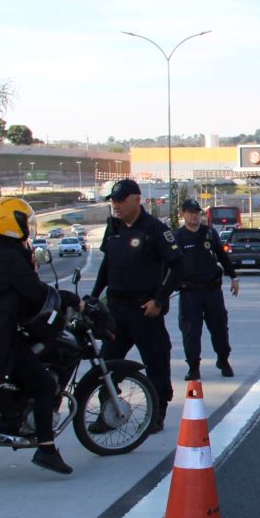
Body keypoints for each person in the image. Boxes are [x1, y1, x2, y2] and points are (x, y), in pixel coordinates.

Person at [0, 196, 79, 474]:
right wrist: (65, 299)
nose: (27, 225)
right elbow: (35, 292)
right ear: (11, 223)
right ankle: (46, 449)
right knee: (43, 384)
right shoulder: (8, 258)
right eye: (23, 220)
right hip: (0, 337)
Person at [90, 179, 183, 433]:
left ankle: (157, 413)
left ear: (136, 199)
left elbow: (178, 266)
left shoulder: (155, 229)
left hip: (145, 310)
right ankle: (108, 414)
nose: (116, 205)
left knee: (156, 362)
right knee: (107, 366)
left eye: (121, 200)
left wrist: (160, 300)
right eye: (113, 201)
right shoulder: (114, 227)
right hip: (116, 310)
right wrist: (95, 295)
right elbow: (107, 264)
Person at [175, 199, 239, 381]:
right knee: (191, 332)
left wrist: (234, 277)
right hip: (189, 293)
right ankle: (193, 367)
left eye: (196, 212)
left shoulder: (209, 233)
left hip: (212, 291)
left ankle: (223, 359)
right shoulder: (178, 237)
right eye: (190, 212)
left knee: (220, 329)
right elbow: (169, 265)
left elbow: (222, 255)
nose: (194, 215)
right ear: (183, 214)